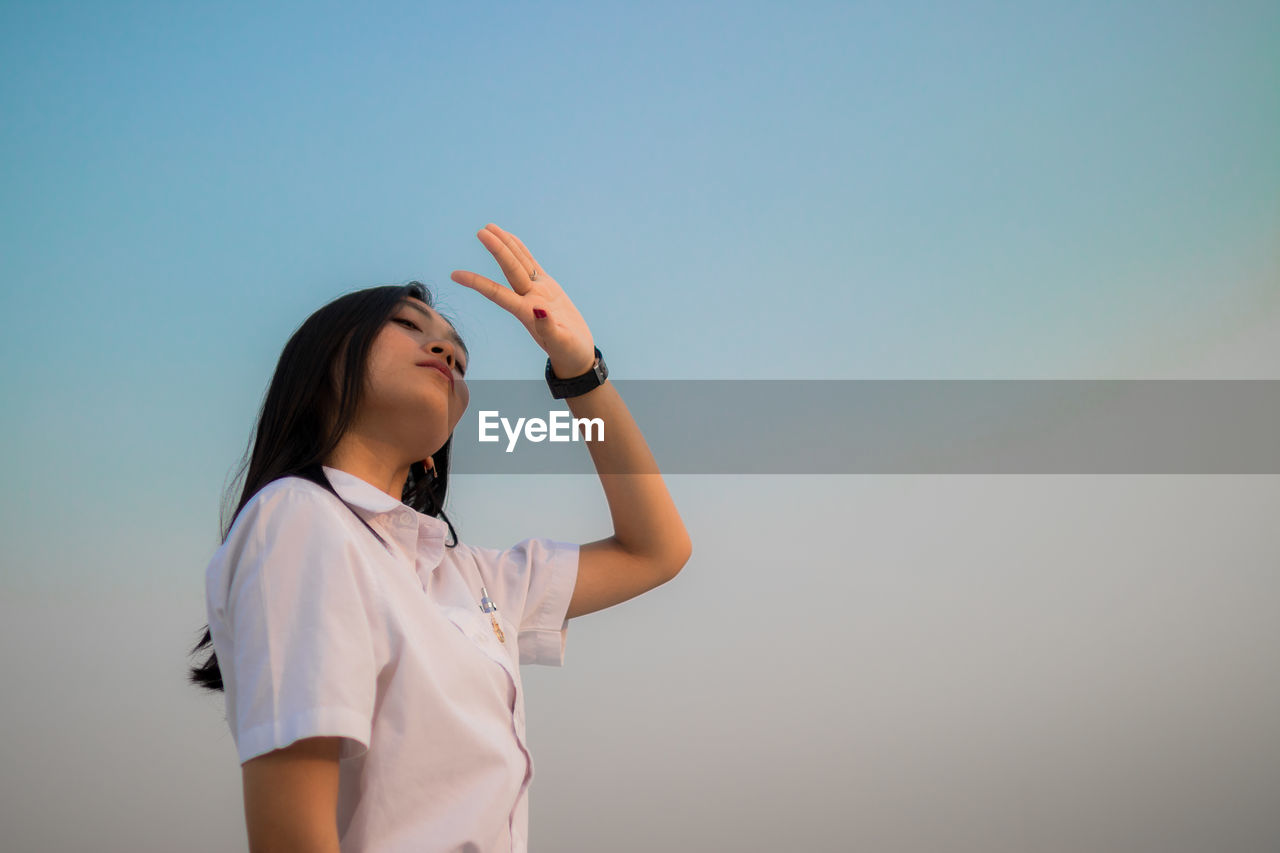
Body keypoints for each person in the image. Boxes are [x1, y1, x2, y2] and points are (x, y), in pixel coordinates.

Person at [187, 223, 692, 852]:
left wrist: (580, 369)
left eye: (459, 353)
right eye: (407, 326)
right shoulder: (298, 518)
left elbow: (657, 550)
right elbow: (294, 834)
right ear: (322, 370)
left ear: (435, 454)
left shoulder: (471, 580)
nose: (446, 353)